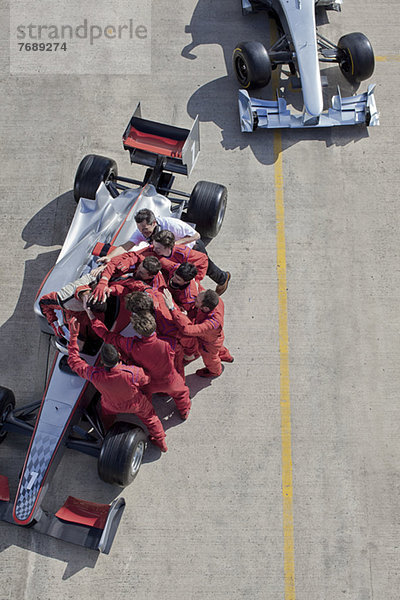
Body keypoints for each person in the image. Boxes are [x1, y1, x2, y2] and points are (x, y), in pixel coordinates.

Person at [67, 318, 167, 452]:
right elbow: (147, 380)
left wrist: (73, 337)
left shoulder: (94, 375)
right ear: (118, 355)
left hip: (110, 404)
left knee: (106, 416)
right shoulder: (132, 373)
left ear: (102, 361)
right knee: (151, 419)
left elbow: (73, 361)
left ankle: (108, 429)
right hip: (136, 404)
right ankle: (161, 443)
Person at [85, 307, 192, 420]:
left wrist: (92, 317)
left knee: (146, 400)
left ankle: (150, 413)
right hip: (171, 381)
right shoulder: (168, 342)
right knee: (182, 393)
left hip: (149, 384)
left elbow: (107, 336)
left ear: (137, 330)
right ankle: (184, 412)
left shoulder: (130, 345)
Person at [97, 208, 230, 295]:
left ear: (154, 223)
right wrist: (109, 257)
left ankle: (223, 278)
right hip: (169, 254)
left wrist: (171, 246)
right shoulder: (142, 232)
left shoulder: (172, 224)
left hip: (192, 250)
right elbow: (126, 246)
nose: (143, 233)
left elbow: (196, 236)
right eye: (140, 229)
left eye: (145, 229)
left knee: (207, 271)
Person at [163, 288, 234, 378]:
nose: (194, 299)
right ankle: (226, 356)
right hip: (215, 337)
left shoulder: (212, 323)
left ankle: (215, 371)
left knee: (211, 359)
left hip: (208, 344)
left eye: (197, 301)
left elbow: (187, 330)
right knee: (219, 348)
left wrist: (172, 308)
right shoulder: (216, 300)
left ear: (205, 308)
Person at [39, 268, 106, 348]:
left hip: (98, 327)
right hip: (77, 327)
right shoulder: (65, 297)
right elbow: (43, 303)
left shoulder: (100, 278)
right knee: (79, 347)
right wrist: (55, 325)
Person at [91, 254, 165, 303]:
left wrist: (111, 289)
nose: (137, 272)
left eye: (141, 273)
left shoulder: (155, 288)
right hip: (114, 281)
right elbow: (114, 262)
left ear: (150, 276)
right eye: (138, 268)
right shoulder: (139, 259)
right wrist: (103, 281)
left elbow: (131, 291)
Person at [141, 230, 208, 282]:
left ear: (168, 247)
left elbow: (203, 259)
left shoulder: (183, 252)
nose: (154, 249)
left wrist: (193, 279)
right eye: (154, 246)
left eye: (158, 248)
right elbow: (136, 255)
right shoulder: (153, 249)